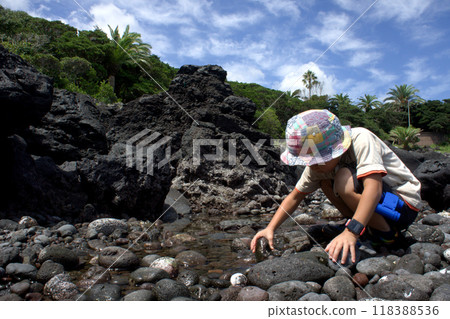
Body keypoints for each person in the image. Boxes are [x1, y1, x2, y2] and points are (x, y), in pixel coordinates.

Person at [250, 109, 422, 264]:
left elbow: (373, 189)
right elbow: (295, 196)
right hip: (375, 209)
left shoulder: (361, 138)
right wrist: (270, 228)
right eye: (307, 161)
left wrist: (351, 232)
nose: (312, 165)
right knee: (324, 181)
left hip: (402, 204)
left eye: (317, 160)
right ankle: (367, 228)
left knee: (342, 178)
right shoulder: (316, 168)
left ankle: (387, 235)